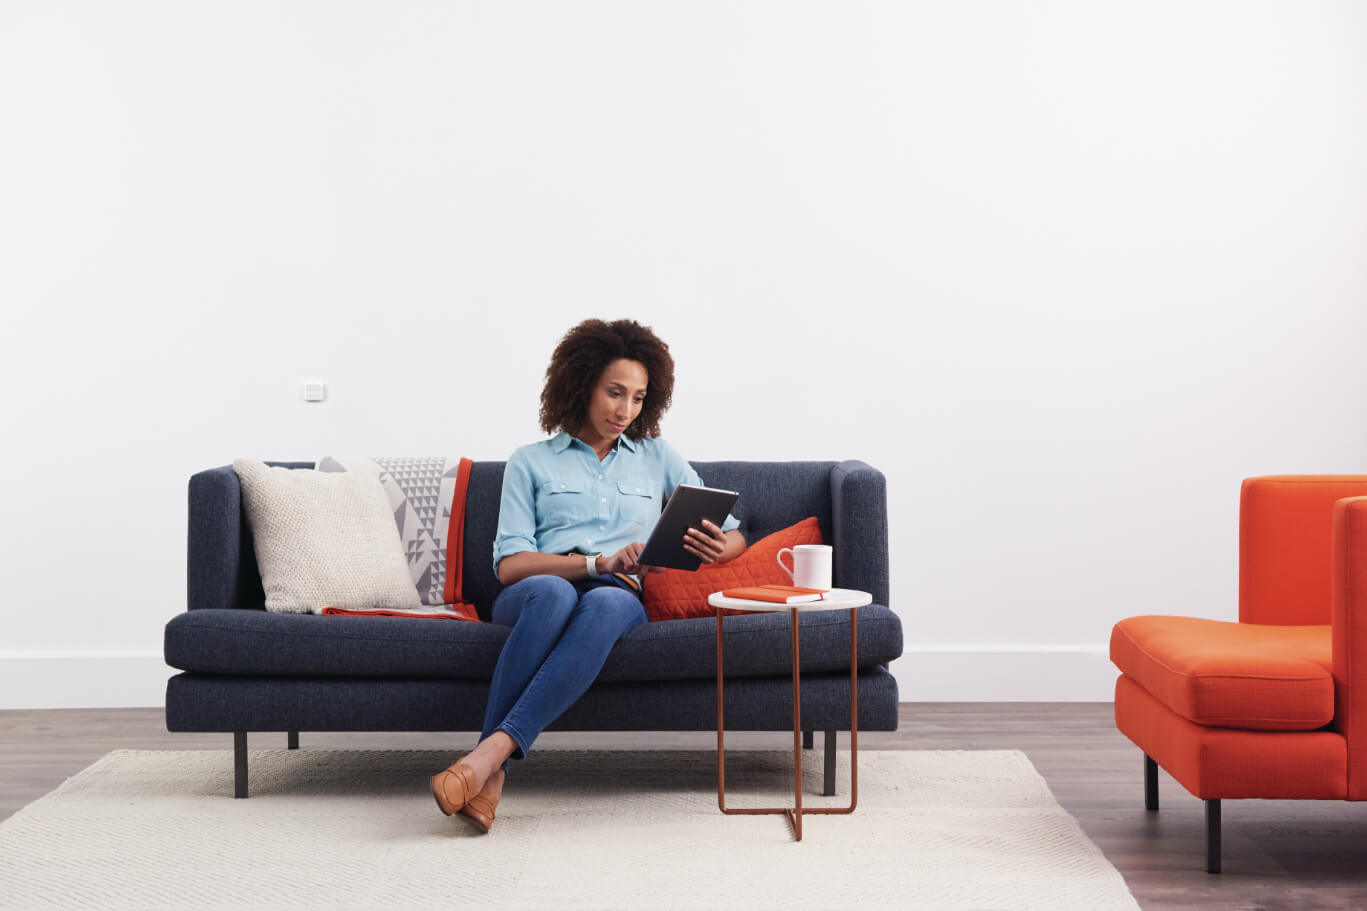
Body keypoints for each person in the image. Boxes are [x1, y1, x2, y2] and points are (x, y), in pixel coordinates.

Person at [430, 318, 748, 832]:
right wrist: (596, 562)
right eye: (614, 393)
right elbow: (510, 565)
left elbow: (734, 534)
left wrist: (719, 547)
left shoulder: (657, 457)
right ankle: (490, 772)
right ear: (581, 386)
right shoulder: (529, 462)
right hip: (535, 591)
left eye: (639, 398)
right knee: (556, 595)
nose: (626, 411)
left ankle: (486, 764)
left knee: (605, 601)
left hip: (617, 596)